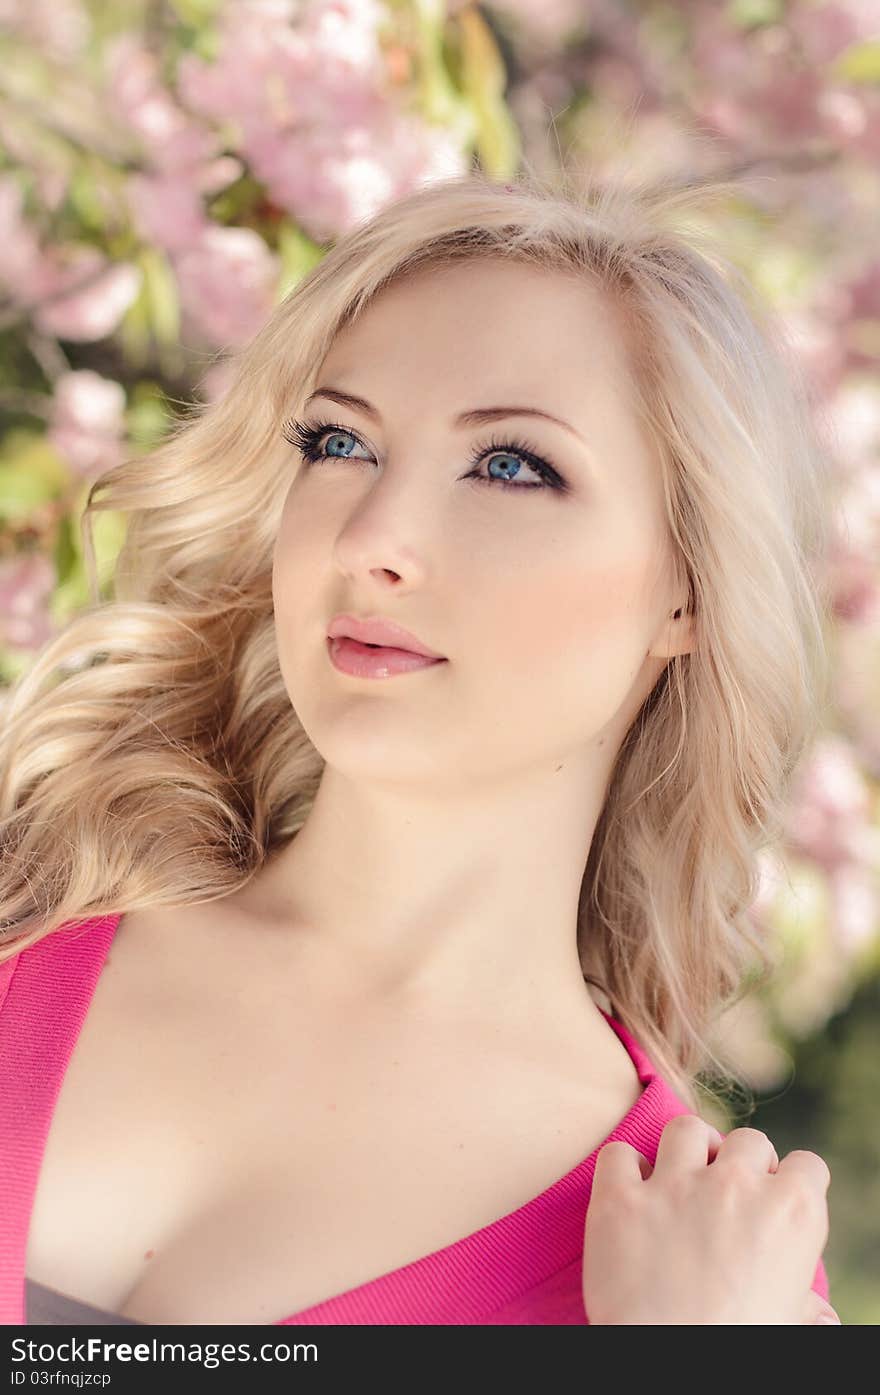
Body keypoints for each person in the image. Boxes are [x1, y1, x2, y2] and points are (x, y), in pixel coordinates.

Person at [0, 169, 841, 1325]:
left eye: (510, 466)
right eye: (340, 443)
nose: (375, 540)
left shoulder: (706, 1272)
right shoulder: (24, 909)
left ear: (688, 593)